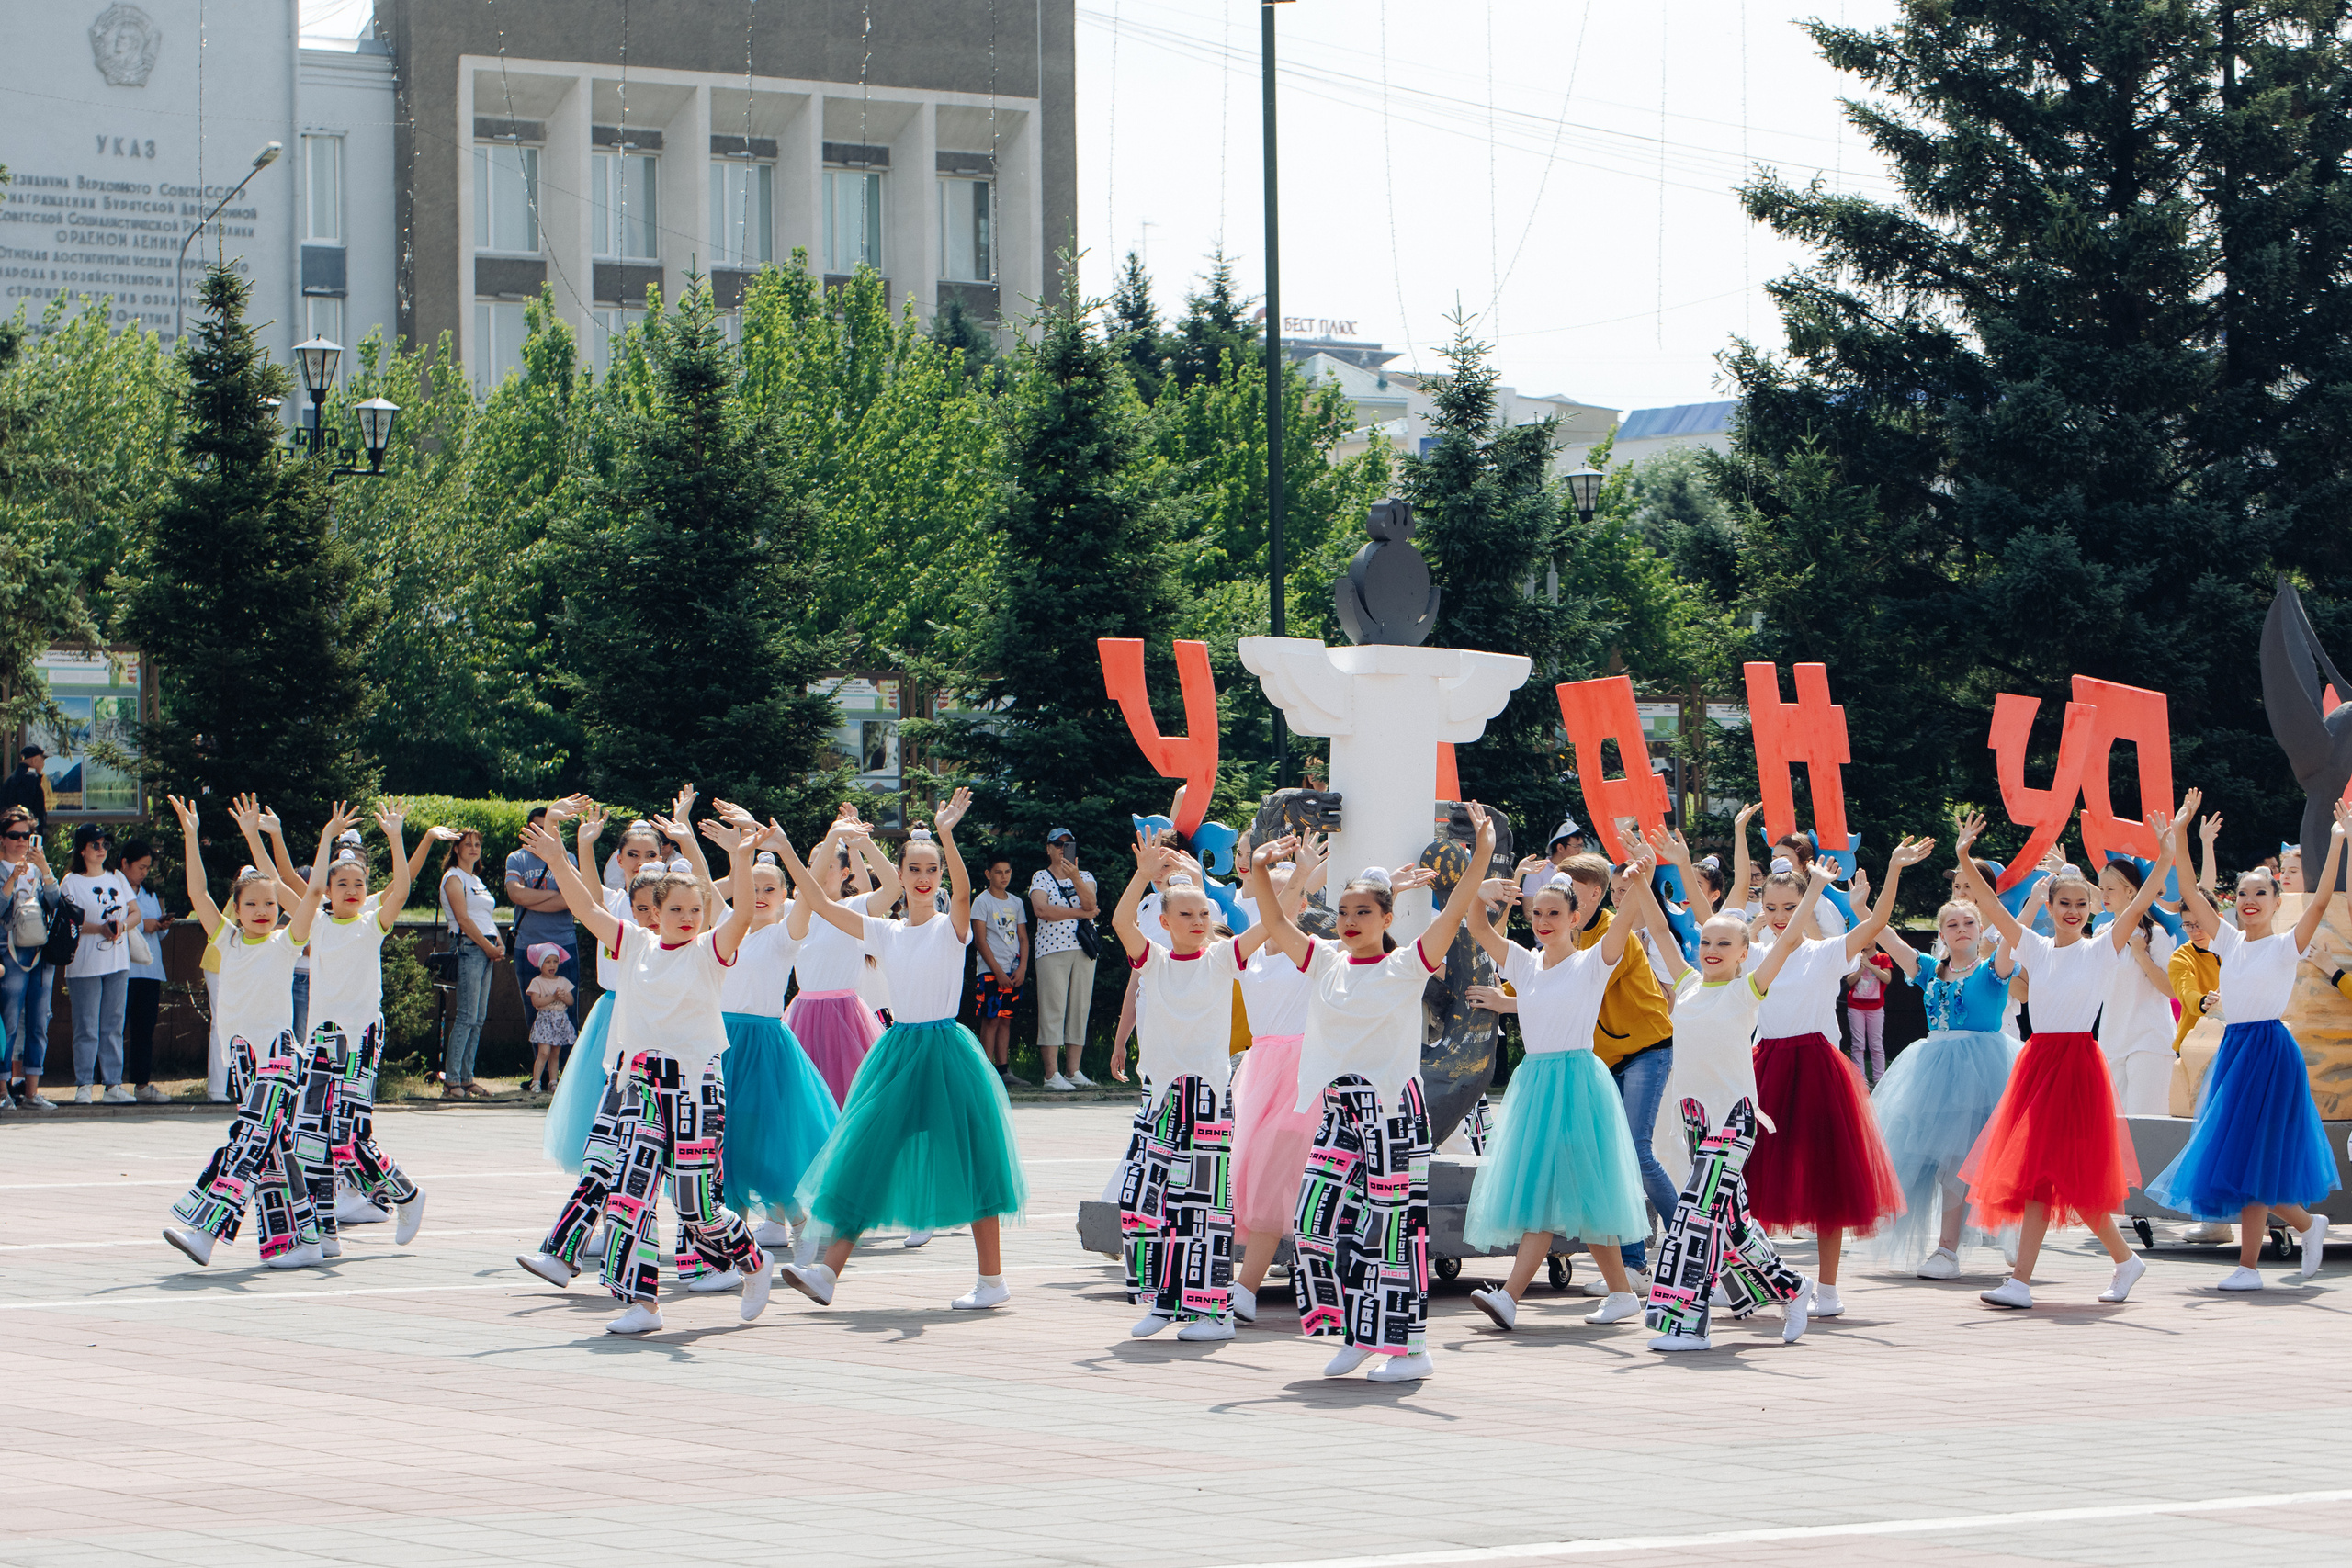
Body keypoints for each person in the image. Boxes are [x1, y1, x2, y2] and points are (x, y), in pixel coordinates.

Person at [1241, 803, 1495, 1384]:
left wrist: (1478, 854)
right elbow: (1278, 926)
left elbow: (1455, 911)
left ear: (1386, 917)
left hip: (1391, 1114)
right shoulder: (1324, 960)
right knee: (1312, 1222)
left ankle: (1410, 1349)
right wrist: (1260, 869)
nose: (1352, 920)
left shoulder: (1407, 965)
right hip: (1338, 1111)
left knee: (1395, 1229)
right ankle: (1360, 1333)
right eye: (1347, 910)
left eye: (1365, 912)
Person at [511, 813, 773, 1335]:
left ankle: (753, 1261)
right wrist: (560, 858)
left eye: (695, 909)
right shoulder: (634, 944)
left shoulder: (710, 951)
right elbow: (585, 906)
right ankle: (643, 1303)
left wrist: (741, 857)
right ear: (655, 912)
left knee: (696, 1206)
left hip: (697, 1086)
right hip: (642, 1084)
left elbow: (742, 912)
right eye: (676, 908)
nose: (687, 917)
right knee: (632, 1193)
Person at [780, 789, 1029, 1313]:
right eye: (913, 868)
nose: (922, 876)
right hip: (898, 1052)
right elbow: (822, 905)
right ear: (901, 873)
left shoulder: (951, 926)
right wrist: (787, 851)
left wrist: (945, 834)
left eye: (930, 869)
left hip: (946, 1051)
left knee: (975, 1157)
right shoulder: (884, 931)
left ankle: (992, 1280)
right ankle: (827, 1272)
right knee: (865, 1156)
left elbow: (963, 891)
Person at [1955, 799, 2191, 1309]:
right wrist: (1966, 857)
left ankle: (2111, 1264)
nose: (2072, 911)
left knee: (2068, 1177)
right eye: (2064, 903)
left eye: (2080, 905)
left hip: (2077, 1065)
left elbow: (2142, 899)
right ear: (2051, 907)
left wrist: (2168, 855)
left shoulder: (2102, 947)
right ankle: (2058, 1275)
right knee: (2043, 1175)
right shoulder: (2035, 949)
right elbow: (1991, 907)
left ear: (2091, 910)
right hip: (2039, 1064)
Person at [2145, 797, 2347, 1290]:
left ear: (2277, 903)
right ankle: (2278, 1244)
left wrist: (2339, 840)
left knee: (2248, 1154)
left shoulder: (2285, 945)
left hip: (2270, 1052)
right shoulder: (2228, 941)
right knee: (2240, 1155)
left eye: (2261, 892)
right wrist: (2182, 837)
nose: (2249, 899)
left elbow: (2319, 902)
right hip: (2234, 1050)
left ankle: (2258, 1259)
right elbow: (2191, 891)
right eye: (2242, 892)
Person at [1460, 853, 1663, 1333]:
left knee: (1554, 1192)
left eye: (1555, 913)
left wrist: (1643, 880)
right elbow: (1475, 926)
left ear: (1576, 918)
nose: (1544, 921)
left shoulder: (1593, 962)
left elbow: (1629, 916)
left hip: (1576, 1084)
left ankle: (1510, 1296)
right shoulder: (1524, 965)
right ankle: (1619, 1293)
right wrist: (1482, 889)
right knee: (1569, 1193)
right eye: (1537, 913)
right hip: (1535, 1084)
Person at [1742, 835, 1931, 1317]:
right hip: (1765, 1067)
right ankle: (1752, 1279)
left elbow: (1877, 922)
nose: (1782, 914)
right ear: (1761, 907)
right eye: (1772, 906)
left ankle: (1826, 1288)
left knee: (1830, 1179)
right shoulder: (1755, 952)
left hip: (1818, 1068)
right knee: (1749, 1179)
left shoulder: (1826, 952)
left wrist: (1892, 869)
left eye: (1791, 904)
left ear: (1807, 903)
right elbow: (1708, 919)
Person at [1112, 829, 1288, 1342]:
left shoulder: (1221, 957)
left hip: (1207, 1098)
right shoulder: (1155, 960)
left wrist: (1264, 872)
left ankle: (1213, 1313)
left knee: (1203, 1206)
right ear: (1164, 922)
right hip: (1162, 1097)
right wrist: (1144, 873)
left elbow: (1270, 925)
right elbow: (1122, 921)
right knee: (1145, 1201)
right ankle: (1164, 1302)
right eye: (1184, 915)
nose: (1195, 922)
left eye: (1202, 915)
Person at [234, 797, 428, 1255]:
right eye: (340, 883)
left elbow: (401, 888)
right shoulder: (316, 922)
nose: (351, 889)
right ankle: (324, 1232)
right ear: (325, 889)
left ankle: (406, 1193)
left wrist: (397, 838)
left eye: (359, 882)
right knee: (310, 1138)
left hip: (360, 1039)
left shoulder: (372, 924)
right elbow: (278, 883)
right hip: (320, 1041)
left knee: (348, 1137)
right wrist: (259, 835)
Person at [161, 795, 346, 1269]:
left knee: (247, 1139)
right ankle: (309, 1238)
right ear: (237, 908)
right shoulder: (226, 939)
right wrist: (189, 836)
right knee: (274, 1149)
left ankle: (206, 1232)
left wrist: (325, 841)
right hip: (242, 1058)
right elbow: (198, 894)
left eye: (269, 902)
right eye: (253, 903)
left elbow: (309, 895)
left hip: (279, 1056)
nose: (264, 909)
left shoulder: (287, 944)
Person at [1868, 822, 2023, 1278]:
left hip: (1987, 1067)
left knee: (1989, 1160)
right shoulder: (1931, 970)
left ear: (1981, 926)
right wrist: (1883, 882)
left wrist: (1964, 857)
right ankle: (1948, 1249)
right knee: (1946, 1164)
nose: (1960, 929)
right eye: (1951, 924)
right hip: (1934, 1068)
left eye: (1968, 922)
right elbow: (1886, 935)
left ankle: (2000, 1233)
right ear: (1940, 932)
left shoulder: (1993, 967)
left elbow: (2014, 929)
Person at [696, 801, 841, 1262]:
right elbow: (702, 884)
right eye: (753, 888)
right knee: (725, 1148)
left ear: (784, 896)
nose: (760, 895)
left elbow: (811, 892)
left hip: (763, 1048)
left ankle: (802, 1228)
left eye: (770, 889)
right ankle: (724, 1250)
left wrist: (808, 845)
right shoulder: (726, 925)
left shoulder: (785, 936)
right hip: (720, 1044)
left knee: (766, 1147)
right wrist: (686, 836)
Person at [1546, 852, 1678, 1280]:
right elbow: (1534, 982)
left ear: (1594, 893)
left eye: (1568, 882)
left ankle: (1696, 1242)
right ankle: (1635, 1266)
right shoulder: (1561, 936)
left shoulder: (1610, 931)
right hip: (1603, 1059)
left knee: (1635, 1152)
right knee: (1613, 1158)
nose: (1559, 887)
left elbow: (1573, 982)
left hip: (1647, 1049)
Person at [1227, 833, 1332, 1324]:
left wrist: (1302, 876)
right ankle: (1248, 1287)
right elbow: (1270, 917)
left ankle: (1247, 1288)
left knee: (1285, 1176)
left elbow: (1282, 916)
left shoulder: (1315, 952)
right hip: (1261, 1074)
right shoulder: (1244, 954)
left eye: (1292, 893)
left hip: (1303, 1075)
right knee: (1258, 1177)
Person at [784, 816, 902, 1104]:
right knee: (802, 1099)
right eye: (814, 864)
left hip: (845, 1016)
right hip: (803, 1014)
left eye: (829, 864)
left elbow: (892, 889)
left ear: (845, 872)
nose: (821, 870)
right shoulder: (793, 911)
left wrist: (864, 844)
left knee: (849, 1096)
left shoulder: (854, 907)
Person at [2097, 856, 2179, 1117]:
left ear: (2131, 891)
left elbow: (2171, 989)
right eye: (2101, 888)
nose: (2103, 895)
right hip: (2111, 1042)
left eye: (2110, 889)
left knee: (2146, 1127)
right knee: (2115, 1127)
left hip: (2150, 1041)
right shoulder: (2101, 933)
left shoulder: (2156, 936)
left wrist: (2142, 956)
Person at [59, 822, 134, 1103]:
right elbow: (69, 921)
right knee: (86, 1025)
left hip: (117, 961)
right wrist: (100, 928)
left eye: (105, 845)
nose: (102, 850)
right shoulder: (72, 881)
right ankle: (84, 1084)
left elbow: (135, 912)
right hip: (84, 964)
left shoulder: (116, 877)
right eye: (95, 845)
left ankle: (113, 1084)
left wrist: (121, 926)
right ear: (82, 849)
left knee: (113, 1023)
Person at [505, 798, 587, 1029]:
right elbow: (516, 895)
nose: (544, 834)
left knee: (567, 1015)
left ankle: (565, 1066)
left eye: (549, 829)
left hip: (563, 944)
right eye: (538, 829)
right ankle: (540, 1065)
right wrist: (554, 896)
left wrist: (532, 898)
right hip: (528, 946)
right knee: (534, 1016)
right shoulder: (516, 859)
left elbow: (571, 901)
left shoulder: (568, 860)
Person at [1030, 827, 1101, 1089]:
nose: (1062, 848)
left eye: (1067, 844)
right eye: (1057, 844)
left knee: (1079, 1008)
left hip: (1083, 950)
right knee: (1053, 1008)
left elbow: (1091, 902)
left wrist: (1076, 880)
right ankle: (1051, 1074)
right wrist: (1081, 914)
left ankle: (1073, 1071)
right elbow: (1042, 909)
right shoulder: (1041, 876)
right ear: (1048, 848)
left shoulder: (1085, 876)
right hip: (1051, 950)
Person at [2, 805, 60, 1111]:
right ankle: (3, 1091)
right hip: (9, 952)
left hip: (40, 952)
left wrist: (46, 870)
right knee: (9, 1023)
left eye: (27, 835)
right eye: (14, 835)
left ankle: (32, 1093)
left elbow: (56, 903)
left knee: (39, 1022)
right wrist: (12, 878)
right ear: (2, 838)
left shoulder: (38, 869)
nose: (22, 841)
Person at [438, 827, 503, 1099]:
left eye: (478, 844)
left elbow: (486, 916)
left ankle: (467, 1077)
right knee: (466, 1016)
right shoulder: (453, 878)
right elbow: (463, 919)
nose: (474, 848)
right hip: (470, 947)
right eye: (468, 844)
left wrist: (498, 943)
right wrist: (488, 946)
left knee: (478, 1018)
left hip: (486, 948)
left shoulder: (476, 879)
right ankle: (451, 1080)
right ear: (456, 849)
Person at [117, 838, 172, 1103]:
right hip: (122, 971)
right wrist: (142, 926)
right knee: (116, 1028)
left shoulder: (149, 893)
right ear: (125, 863)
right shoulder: (113, 888)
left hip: (149, 971)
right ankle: (111, 1083)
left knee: (144, 1030)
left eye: (148, 868)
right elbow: (112, 923)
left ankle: (141, 1084)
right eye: (140, 867)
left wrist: (160, 925)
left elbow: (158, 934)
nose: (144, 873)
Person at [971, 852, 1031, 1086]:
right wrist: (996, 971)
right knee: (991, 1019)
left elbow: (1023, 937)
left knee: (1006, 1019)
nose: (1003, 876)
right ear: (988, 874)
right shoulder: (982, 901)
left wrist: (1023, 967)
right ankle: (986, 1072)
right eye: (998, 872)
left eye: (1007, 872)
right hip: (990, 971)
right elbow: (980, 939)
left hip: (1013, 971)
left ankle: (1003, 1071)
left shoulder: (1016, 902)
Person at [526, 943, 577, 1095]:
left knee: (555, 1052)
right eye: (548, 962)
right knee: (544, 1051)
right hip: (546, 1020)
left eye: (555, 961)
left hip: (560, 1020)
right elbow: (536, 1002)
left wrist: (564, 996)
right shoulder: (537, 982)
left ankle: (553, 1081)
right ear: (540, 964)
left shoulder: (562, 981)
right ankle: (536, 1081)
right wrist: (553, 997)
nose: (552, 965)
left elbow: (571, 1001)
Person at [1841, 948, 1897, 1087]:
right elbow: (1850, 981)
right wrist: (1861, 968)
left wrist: (1870, 965)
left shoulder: (1883, 957)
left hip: (1876, 1008)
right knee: (1858, 1044)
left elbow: (1887, 978)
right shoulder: (1855, 956)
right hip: (1856, 1007)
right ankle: (1861, 1080)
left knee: (1876, 1044)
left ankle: (1879, 1079)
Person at [0, 744, 51, 831]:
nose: (43, 764)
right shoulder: (30, 779)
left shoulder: (10, 780)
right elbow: (30, 812)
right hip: (26, 836)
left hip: (9, 836)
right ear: (34, 760)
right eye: (42, 760)